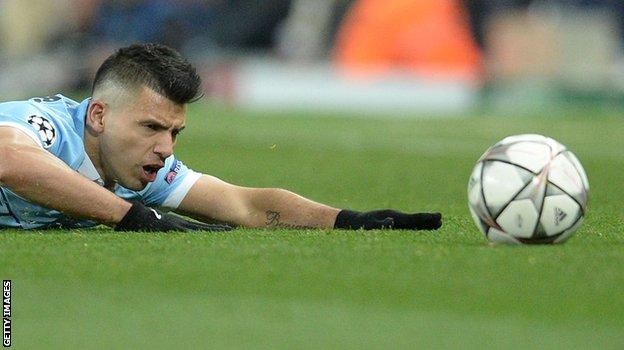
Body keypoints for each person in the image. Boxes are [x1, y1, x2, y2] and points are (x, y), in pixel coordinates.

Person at [0, 43, 442, 232]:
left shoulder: (143, 168)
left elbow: (244, 204)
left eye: (174, 132)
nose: (165, 148)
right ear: (98, 115)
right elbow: (9, 159)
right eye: (151, 127)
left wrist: (347, 220)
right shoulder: (48, 126)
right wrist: (130, 216)